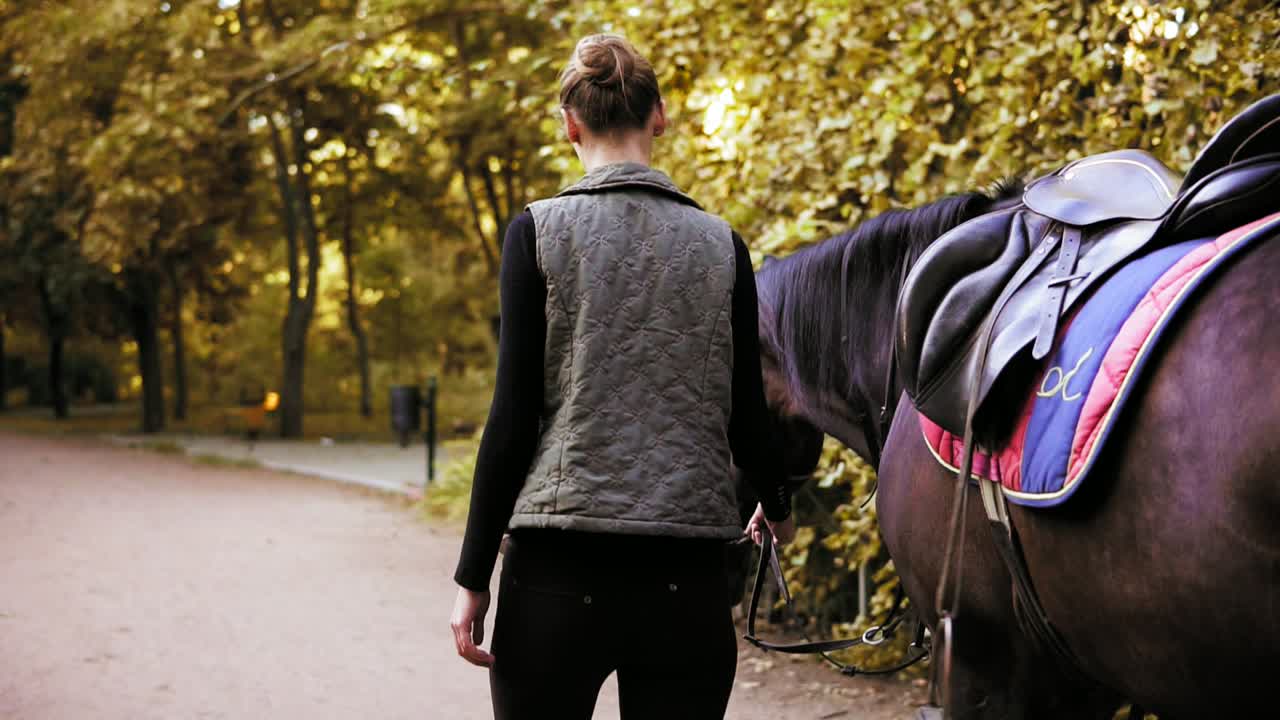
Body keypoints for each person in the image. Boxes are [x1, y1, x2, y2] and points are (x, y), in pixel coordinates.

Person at [449, 33, 795, 720]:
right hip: (686, 578)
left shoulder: (537, 232)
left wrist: (473, 577)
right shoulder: (722, 246)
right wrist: (776, 508)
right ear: (658, 116)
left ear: (570, 123)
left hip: (554, 573)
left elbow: (513, 418)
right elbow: (747, 416)